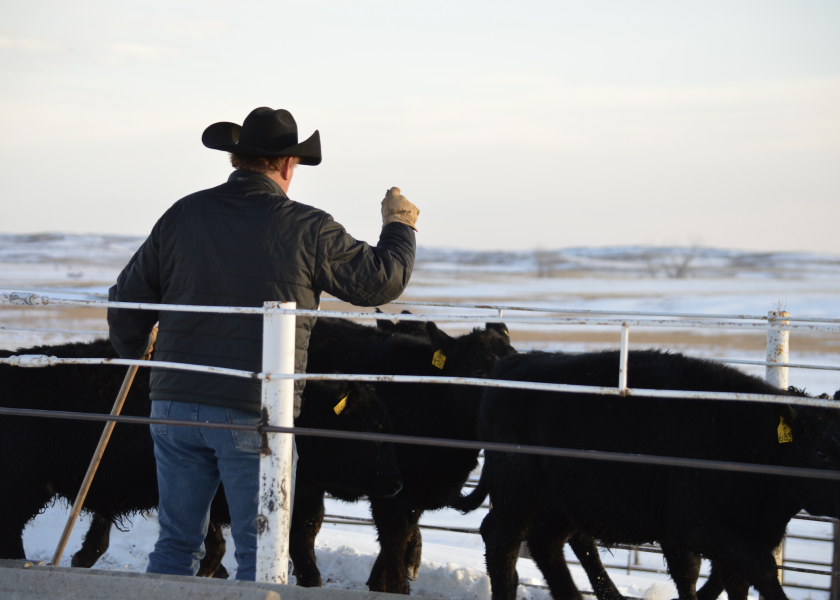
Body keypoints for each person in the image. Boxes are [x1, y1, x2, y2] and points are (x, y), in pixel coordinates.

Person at [107, 107, 418, 580]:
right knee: (262, 551)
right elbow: (380, 282)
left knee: (175, 543)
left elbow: (127, 300)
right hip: (254, 411)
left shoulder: (183, 213)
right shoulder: (308, 228)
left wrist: (139, 359)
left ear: (236, 160)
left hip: (173, 403)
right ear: (288, 166)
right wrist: (400, 226)